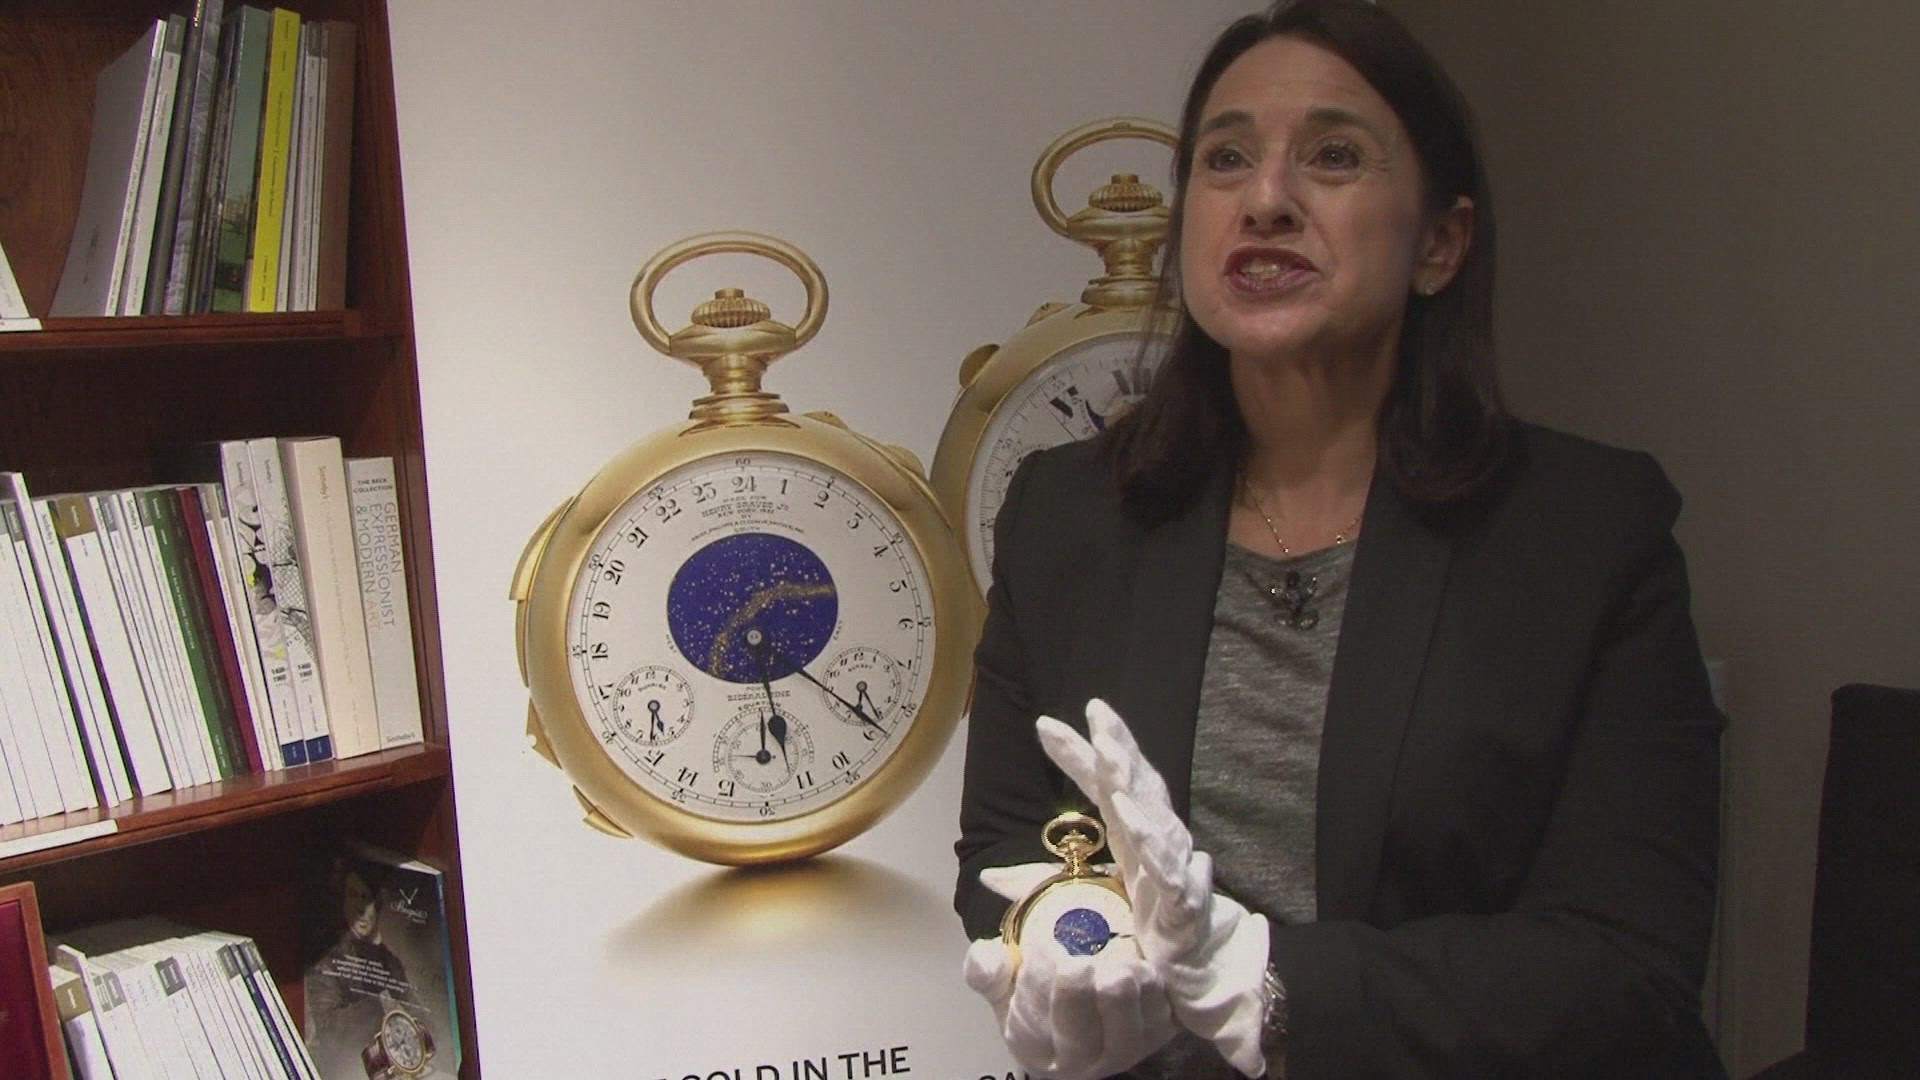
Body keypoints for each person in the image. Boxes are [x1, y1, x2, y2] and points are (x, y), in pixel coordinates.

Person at [953, 1, 1727, 1077]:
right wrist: (1065, 947)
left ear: (1440, 243)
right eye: (1226, 159)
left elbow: (1625, 966)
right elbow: (1011, 848)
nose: (1266, 199)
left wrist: (1266, 984)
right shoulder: (1064, 515)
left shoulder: (1588, 532)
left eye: (1333, 156)